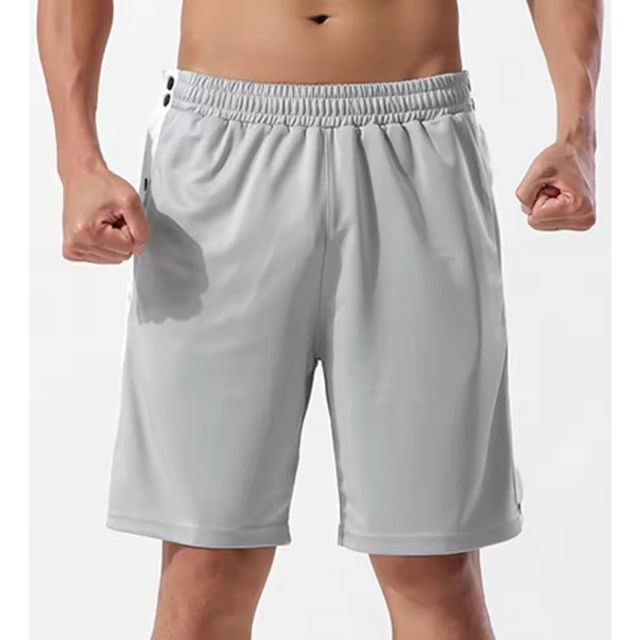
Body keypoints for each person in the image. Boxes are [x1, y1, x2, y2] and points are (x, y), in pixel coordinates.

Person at [37, 0, 602, 638]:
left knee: (435, 571)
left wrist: (578, 135)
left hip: (418, 142)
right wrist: (77, 162)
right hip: (219, 156)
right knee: (204, 569)